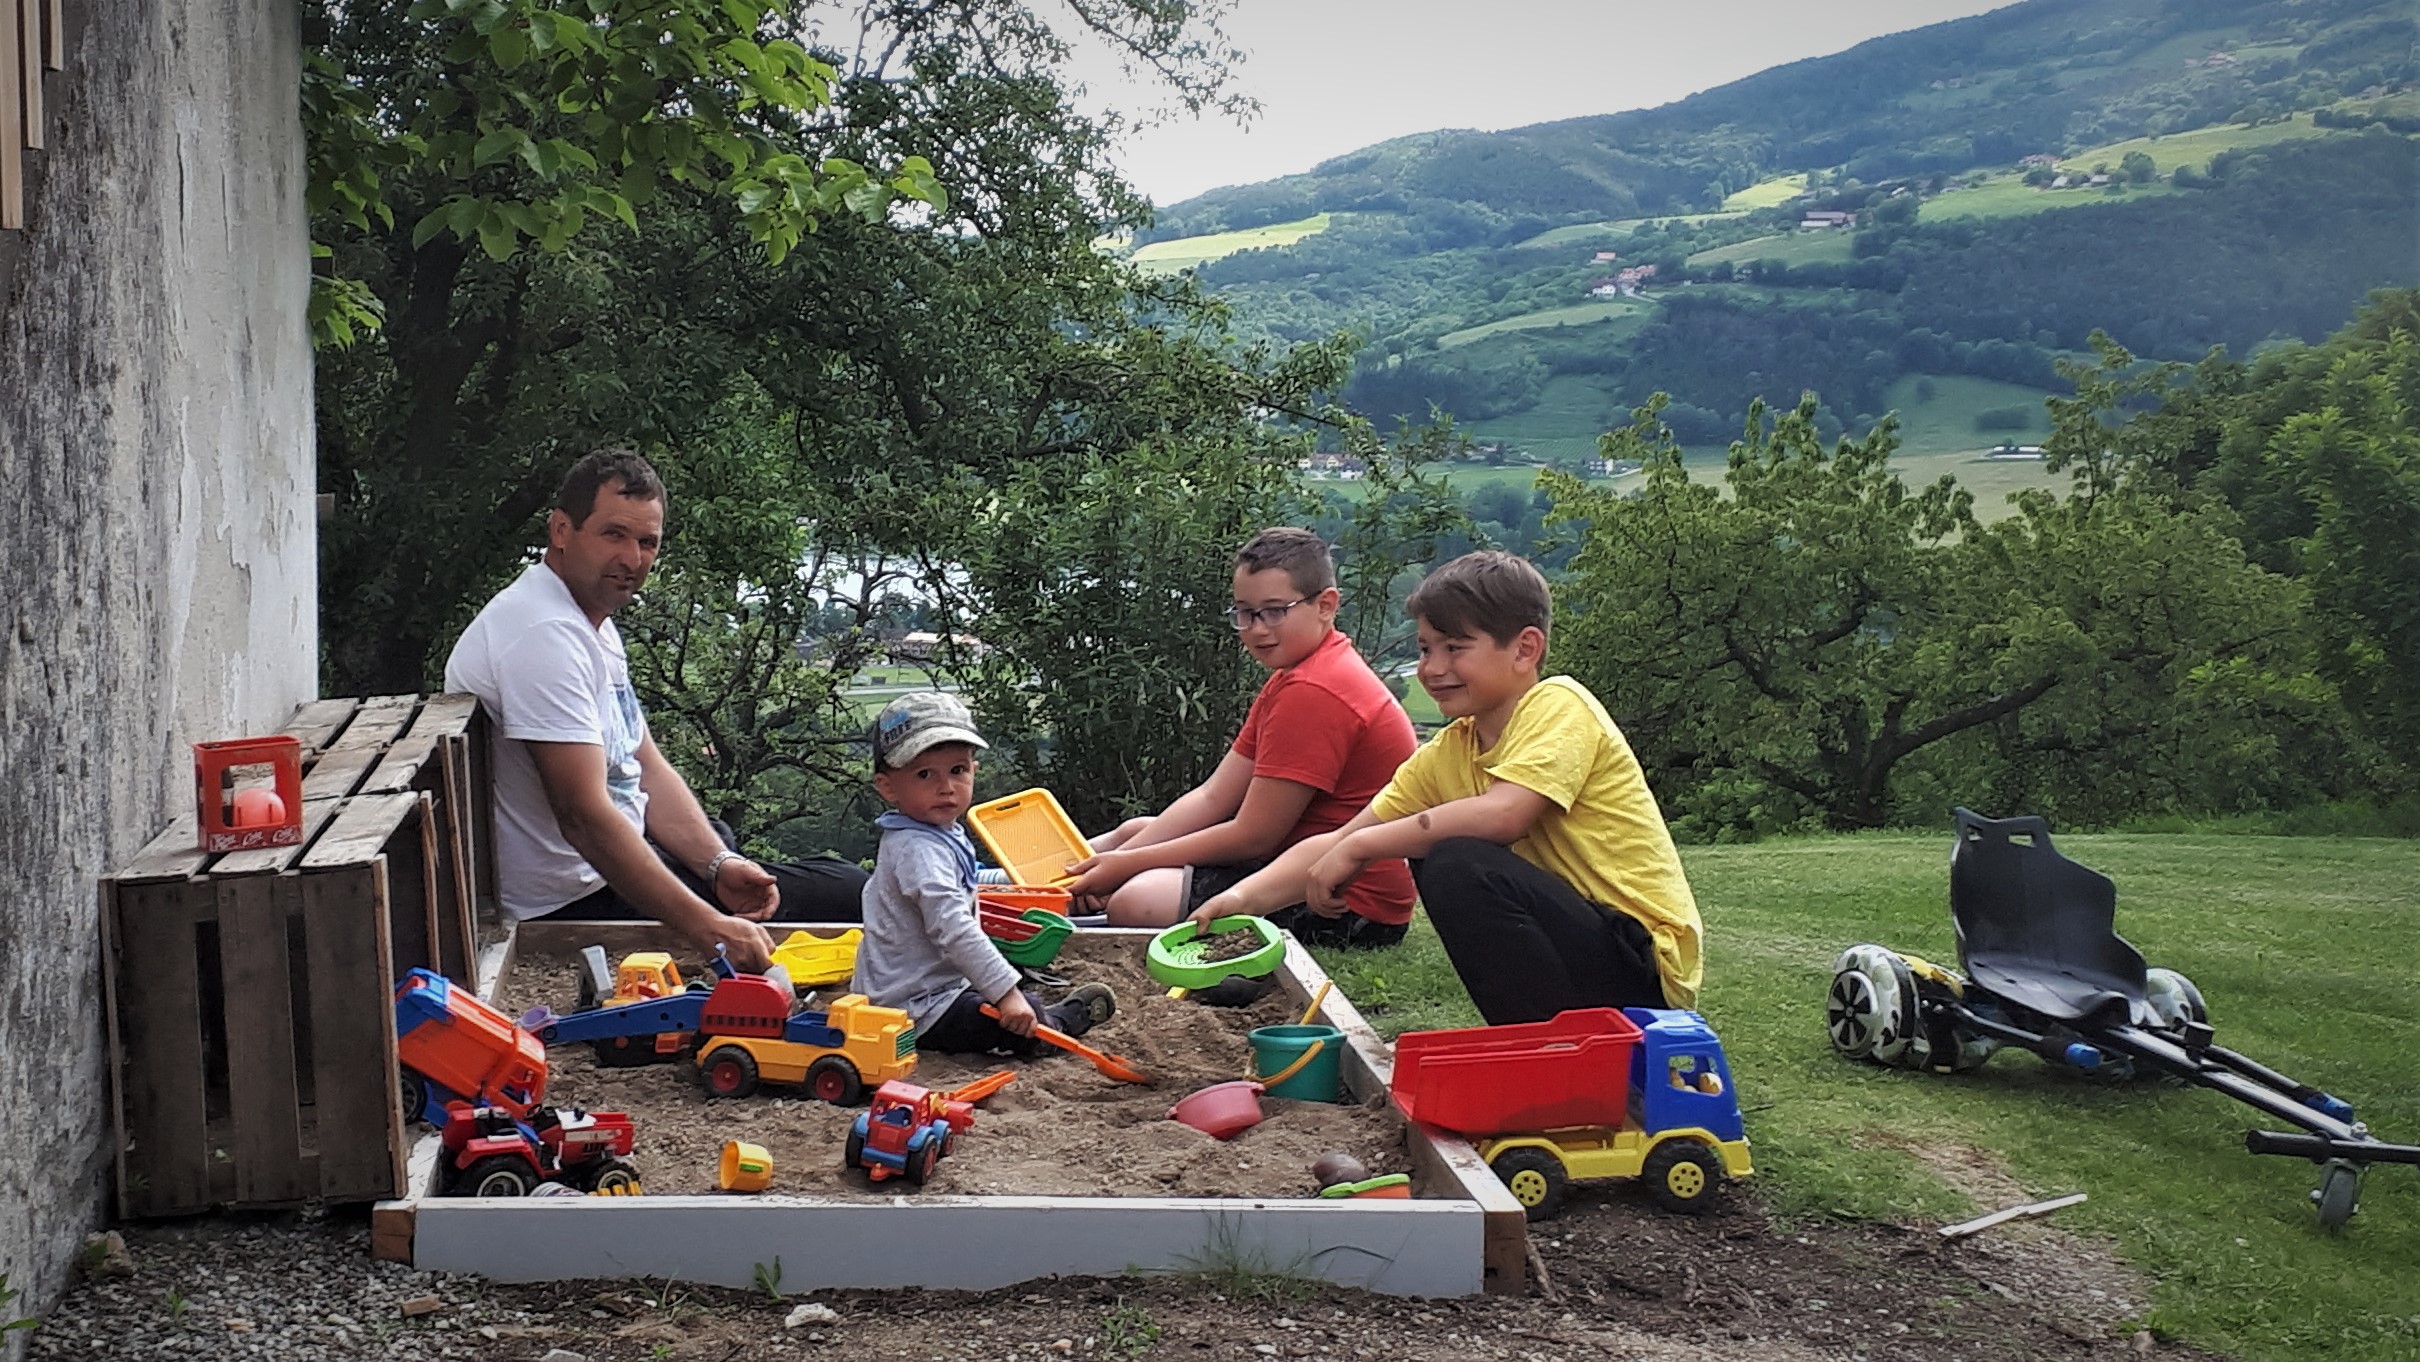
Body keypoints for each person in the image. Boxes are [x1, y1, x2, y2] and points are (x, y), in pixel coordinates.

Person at [1190, 550, 1702, 1024]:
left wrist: (1366, 847)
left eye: (1455, 648)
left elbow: (1502, 816)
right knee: (1443, 854)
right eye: (1425, 648)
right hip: (1579, 947)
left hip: (1642, 965)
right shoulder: (1448, 752)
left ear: (1525, 649)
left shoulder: (1559, 705)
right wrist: (1243, 899)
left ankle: (1548, 1047)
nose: (1432, 669)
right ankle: (1539, 1047)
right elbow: (1341, 839)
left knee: (1458, 861)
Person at [444, 448, 868, 972]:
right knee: (851, 892)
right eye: (613, 535)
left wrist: (717, 865)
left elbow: (643, 763)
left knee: (729, 848)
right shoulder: (544, 634)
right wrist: (707, 927)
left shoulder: (584, 619)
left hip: (604, 868)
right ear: (560, 530)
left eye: (648, 542)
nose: (633, 559)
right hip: (576, 898)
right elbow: (584, 819)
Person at [1064, 527, 1419, 948]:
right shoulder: (1294, 675)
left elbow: (1255, 835)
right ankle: (1037, 886)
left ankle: (1054, 900)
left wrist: (1127, 868)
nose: (1255, 629)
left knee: (1138, 899)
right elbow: (1213, 797)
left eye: (1273, 611)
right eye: (1244, 613)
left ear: (1325, 605)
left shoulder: (1316, 690)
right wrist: (1120, 860)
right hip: (1291, 863)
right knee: (1135, 830)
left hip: (1345, 902)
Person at [850, 691, 1116, 1053]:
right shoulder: (917, 850)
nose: (946, 787)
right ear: (887, 786)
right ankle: (1057, 1027)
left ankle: (1028, 1008)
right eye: (925, 774)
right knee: (1011, 1017)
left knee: (1004, 982)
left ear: (974, 769)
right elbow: (953, 927)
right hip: (914, 1010)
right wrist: (1006, 994)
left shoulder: (933, 830)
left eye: (957, 770)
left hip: (930, 983)